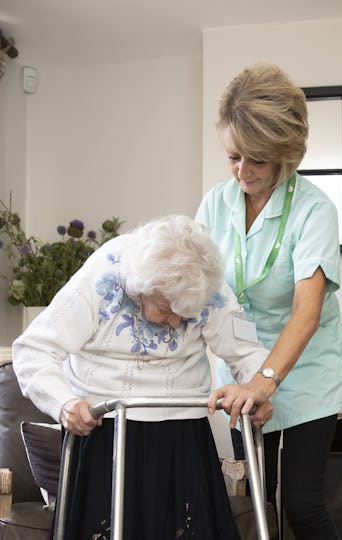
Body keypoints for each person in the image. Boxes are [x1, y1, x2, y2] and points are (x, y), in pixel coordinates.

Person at [12, 214, 274, 540]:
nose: (177, 321)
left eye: (186, 313)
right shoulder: (103, 275)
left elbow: (250, 352)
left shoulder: (207, 281)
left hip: (184, 432)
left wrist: (255, 389)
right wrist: (64, 404)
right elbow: (32, 350)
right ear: (142, 290)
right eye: (166, 309)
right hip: (102, 428)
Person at [198, 63, 342, 539]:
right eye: (233, 157)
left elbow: (307, 311)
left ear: (284, 154)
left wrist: (265, 381)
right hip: (240, 368)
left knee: (302, 503)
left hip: (306, 366)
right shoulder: (215, 203)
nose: (242, 172)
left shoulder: (314, 210)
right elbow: (197, 287)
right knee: (256, 501)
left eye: (257, 160)